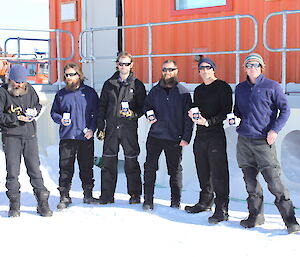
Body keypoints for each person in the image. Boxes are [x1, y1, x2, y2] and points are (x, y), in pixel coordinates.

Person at [234, 53, 300, 234]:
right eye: (249, 65)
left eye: (256, 65)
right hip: (244, 141)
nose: (252, 68)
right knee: (250, 182)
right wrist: (235, 119)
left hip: (263, 142)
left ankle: (290, 221)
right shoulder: (240, 88)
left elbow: (285, 109)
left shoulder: (272, 86)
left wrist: (274, 130)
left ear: (261, 67)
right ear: (245, 68)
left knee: (274, 182)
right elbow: (237, 111)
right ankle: (256, 216)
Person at [0, 65, 53, 217]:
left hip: (29, 136)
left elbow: (37, 104)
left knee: (35, 170)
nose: (20, 85)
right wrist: (16, 118)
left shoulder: (29, 89)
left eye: (22, 82)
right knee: (12, 172)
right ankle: (14, 205)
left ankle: (43, 203)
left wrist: (34, 111)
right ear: (10, 79)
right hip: (11, 137)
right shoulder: (3, 92)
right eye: (17, 82)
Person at [184, 57, 232, 224]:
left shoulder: (223, 87)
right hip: (201, 133)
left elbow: (226, 111)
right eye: (201, 68)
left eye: (207, 67)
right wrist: (193, 114)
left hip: (216, 133)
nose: (204, 71)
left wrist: (209, 122)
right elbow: (196, 108)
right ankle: (205, 201)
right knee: (202, 169)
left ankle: (222, 208)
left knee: (218, 172)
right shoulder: (198, 90)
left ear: (213, 69)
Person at [143, 60, 193, 210]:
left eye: (171, 70)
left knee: (175, 170)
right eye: (164, 70)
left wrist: (186, 137)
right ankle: (148, 200)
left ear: (176, 71)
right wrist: (148, 114)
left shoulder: (183, 92)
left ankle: (175, 201)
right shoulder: (155, 90)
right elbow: (147, 106)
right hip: (155, 137)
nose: (167, 73)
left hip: (174, 138)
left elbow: (188, 118)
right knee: (150, 168)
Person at [97, 51, 146, 204]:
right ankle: (107, 195)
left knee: (131, 161)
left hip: (128, 129)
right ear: (116, 65)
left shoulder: (137, 85)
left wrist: (132, 114)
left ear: (131, 65)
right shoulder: (109, 84)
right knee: (108, 162)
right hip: (111, 129)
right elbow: (102, 107)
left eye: (126, 64)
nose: (123, 66)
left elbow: (142, 107)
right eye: (120, 63)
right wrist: (101, 127)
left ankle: (135, 195)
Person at [51, 62, 99, 209]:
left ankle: (88, 195)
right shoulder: (61, 94)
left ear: (79, 75)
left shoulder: (90, 93)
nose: (69, 77)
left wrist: (92, 129)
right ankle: (64, 196)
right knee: (65, 168)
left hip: (85, 137)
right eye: (66, 75)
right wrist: (60, 120)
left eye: (72, 74)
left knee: (86, 167)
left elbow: (96, 114)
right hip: (67, 137)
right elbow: (54, 113)